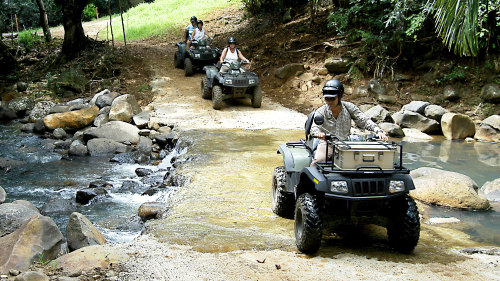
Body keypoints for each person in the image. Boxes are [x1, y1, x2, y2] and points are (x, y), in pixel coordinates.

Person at [310, 79, 388, 166]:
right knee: (316, 164)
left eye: (332, 98)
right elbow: (314, 128)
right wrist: (319, 134)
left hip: (345, 143)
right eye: (327, 99)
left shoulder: (349, 107)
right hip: (328, 143)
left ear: (339, 96)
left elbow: (364, 120)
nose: (329, 101)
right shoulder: (321, 111)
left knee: (364, 163)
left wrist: (378, 130)